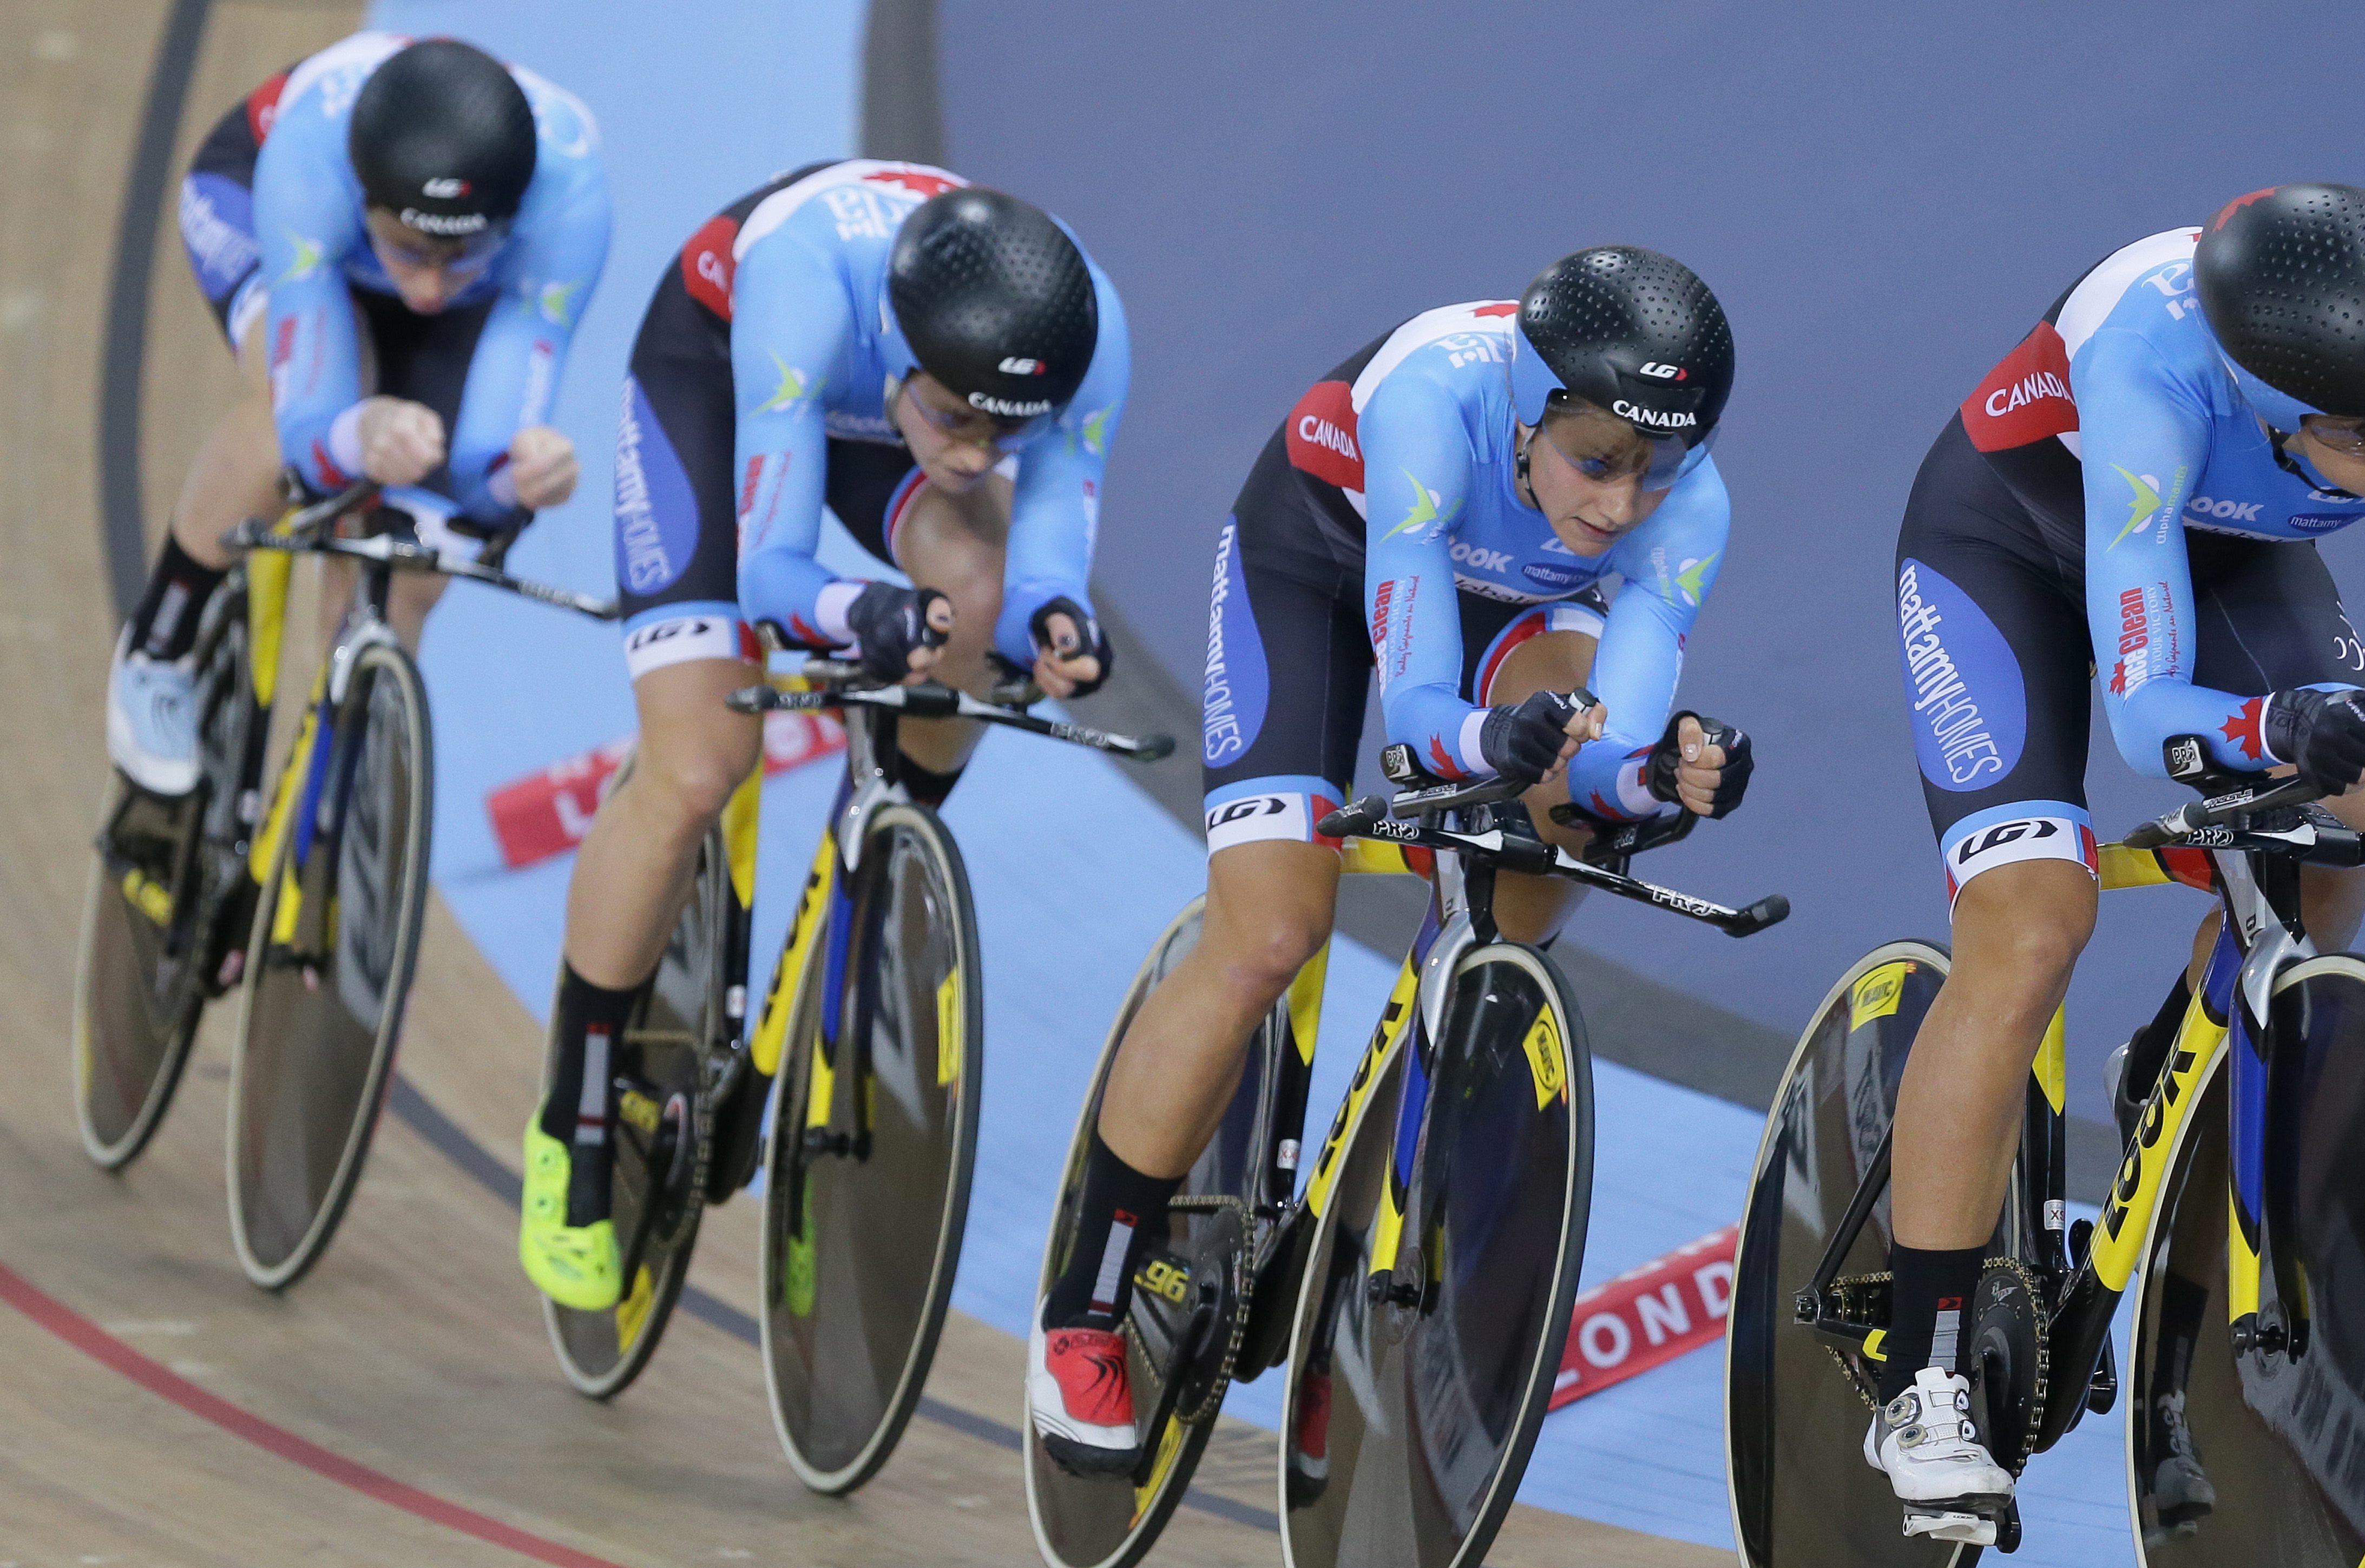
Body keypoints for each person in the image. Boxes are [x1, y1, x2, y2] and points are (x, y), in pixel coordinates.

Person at [1874, 183, 2365, 1541]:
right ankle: (1924, 1376)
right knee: (2033, 924)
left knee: (2354, 814)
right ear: (2271, 407)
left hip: (2233, 555)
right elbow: (2150, 716)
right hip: (2007, 542)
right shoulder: (2149, 369)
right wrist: (2274, 725)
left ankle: (2182, 1055)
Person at [1028, 246, 1757, 1473]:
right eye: (1596, 461)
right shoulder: (1431, 402)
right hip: (1316, 564)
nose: (1624, 505)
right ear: (1526, 416)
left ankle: (1391, 1187)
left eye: (1657, 468)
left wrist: (1661, 779)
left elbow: (1608, 756)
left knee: (1545, 858)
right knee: (1267, 935)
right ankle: (1084, 1311)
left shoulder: (1691, 511)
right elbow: (1419, 715)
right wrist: (1494, 743)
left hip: (1513, 608)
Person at [517, 161, 1128, 1309]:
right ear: (901, 348)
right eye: (957, 421)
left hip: (876, 410)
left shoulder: (1085, 337)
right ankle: (573, 1110)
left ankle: (878, 840)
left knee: (981, 601)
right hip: (724, 379)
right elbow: (773, 576)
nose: (974, 456)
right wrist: (862, 612)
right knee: (697, 768)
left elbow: (1045, 548)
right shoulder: (801, 287)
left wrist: (1057, 624)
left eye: (1007, 429)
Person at [110, 32, 609, 794]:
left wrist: (524, 476)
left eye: (460, 255)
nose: (431, 288)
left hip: (459, 270)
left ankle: (339, 789)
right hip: (272, 212)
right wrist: (359, 431)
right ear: (364, 201)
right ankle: (160, 643)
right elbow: (313, 429)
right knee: (291, 413)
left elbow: (482, 470)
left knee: (411, 567)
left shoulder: (569, 204)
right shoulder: (310, 164)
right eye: (410, 252)